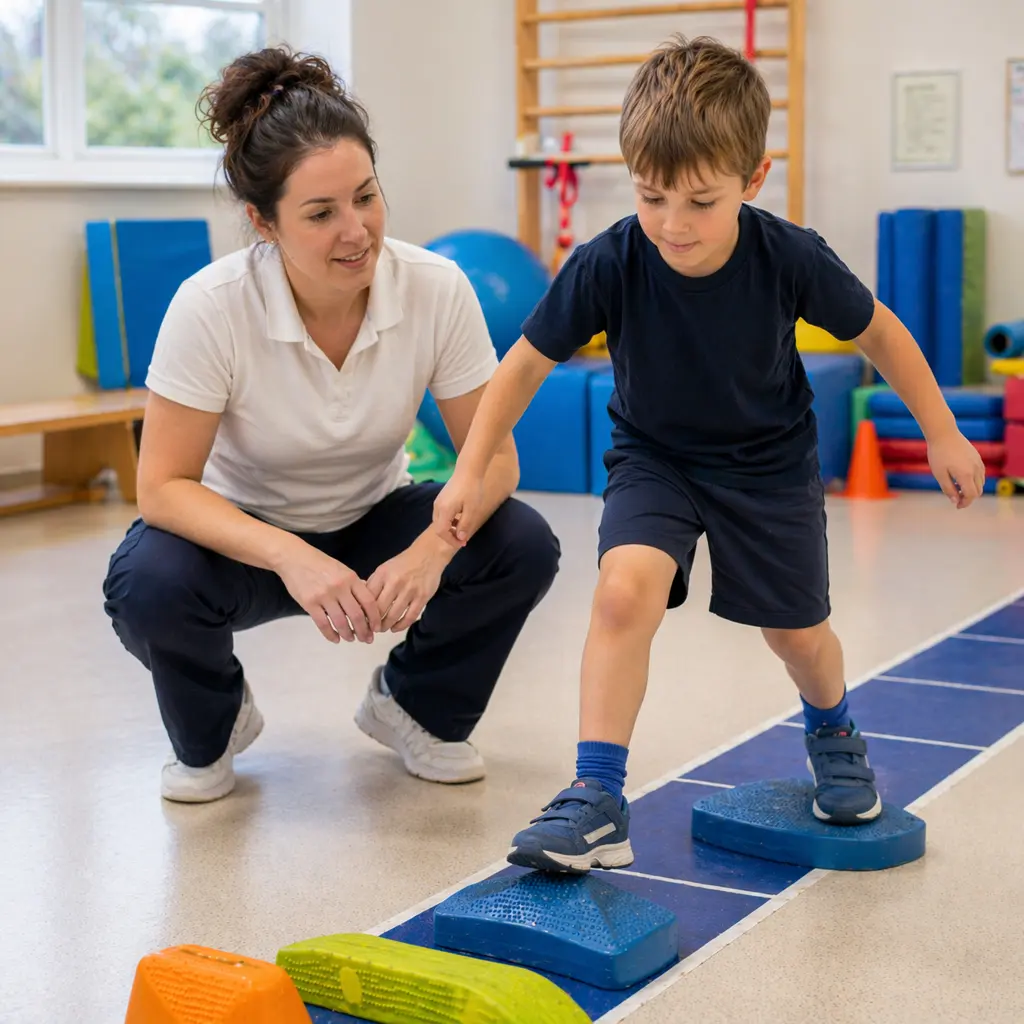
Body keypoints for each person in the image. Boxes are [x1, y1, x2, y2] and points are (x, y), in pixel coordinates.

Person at [432, 36, 986, 873]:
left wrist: (942, 429)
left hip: (768, 466)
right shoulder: (612, 258)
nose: (672, 225)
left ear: (752, 181)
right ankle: (596, 796)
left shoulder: (786, 253)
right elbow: (523, 366)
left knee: (796, 635)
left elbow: (880, 332)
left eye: (700, 200)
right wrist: (471, 470)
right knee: (624, 592)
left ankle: (832, 727)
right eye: (653, 198)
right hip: (655, 458)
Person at [102, 47, 560, 804]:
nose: (357, 232)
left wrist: (430, 551)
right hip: (243, 537)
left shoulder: (436, 288)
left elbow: (494, 459)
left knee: (519, 542)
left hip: (373, 516)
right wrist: (292, 558)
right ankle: (216, 722)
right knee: (146, 582)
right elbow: (162, 489)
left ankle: (414, 707)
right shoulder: (210, 306)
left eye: (366, 196)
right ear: (263, 222)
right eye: (320, 214)